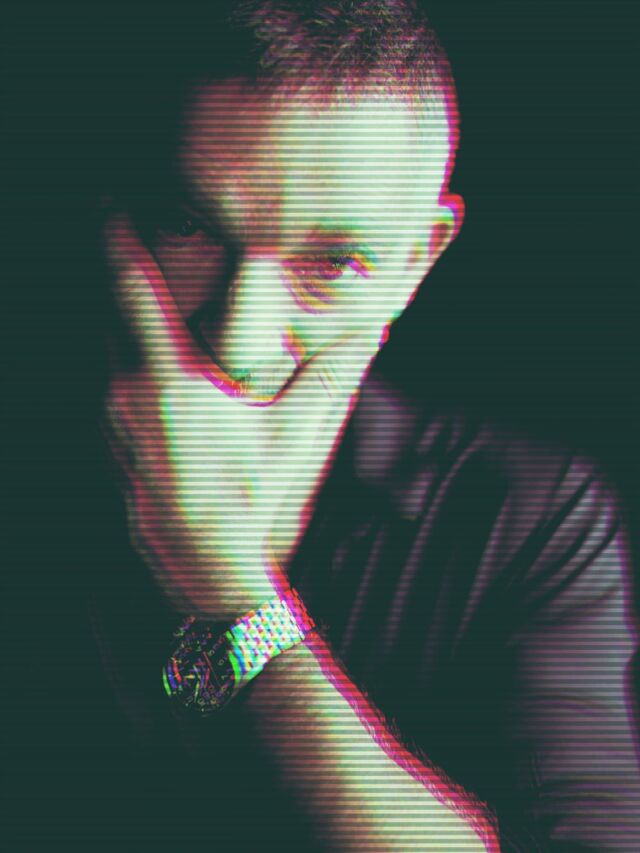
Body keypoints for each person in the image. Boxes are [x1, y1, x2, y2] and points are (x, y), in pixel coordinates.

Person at [12, 2, 638, 851]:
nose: (240, 338)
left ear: (417, 260)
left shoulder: (528, 515)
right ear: (115, 215)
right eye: (189, 226)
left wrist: (233, 590)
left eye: (334, 263)